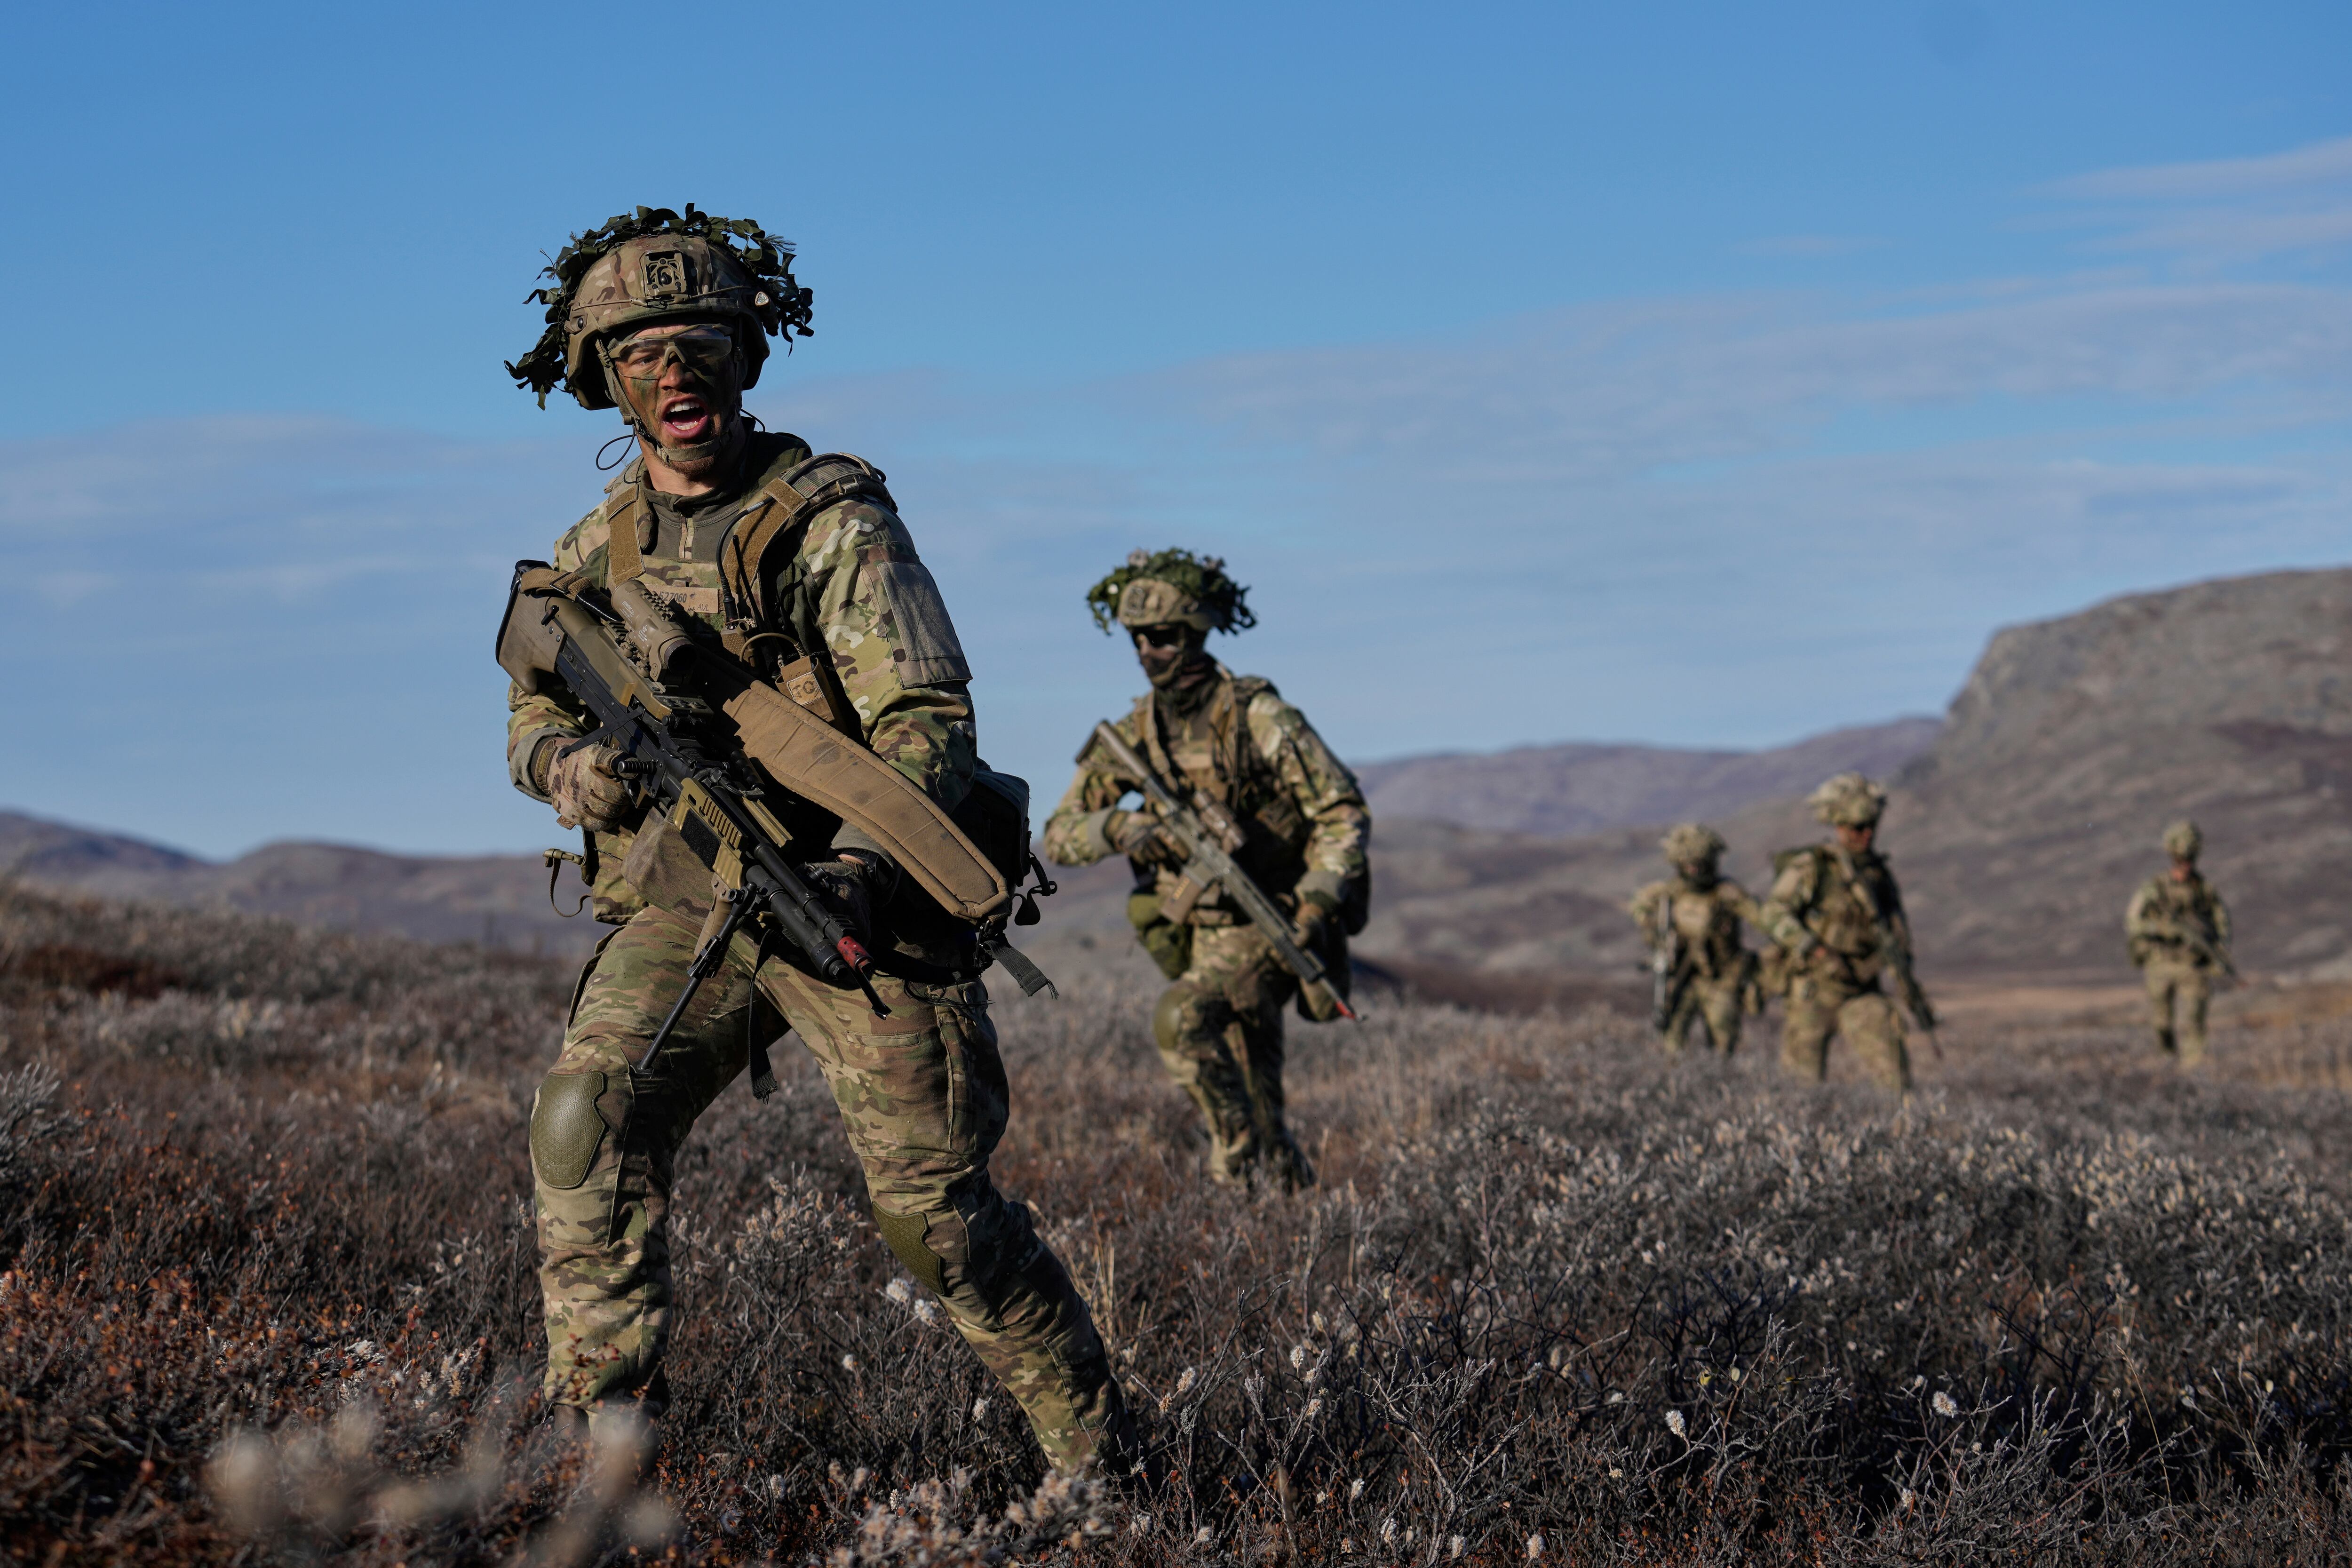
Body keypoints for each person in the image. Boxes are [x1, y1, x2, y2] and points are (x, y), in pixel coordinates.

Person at [500, 207, 1130, 1472]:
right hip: (690, 902)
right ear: (601, 377)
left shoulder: (829, 519)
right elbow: (528, 719)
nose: (676, 375)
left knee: (938, 1225)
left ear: (745, 354)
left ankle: (1110, 1470)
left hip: (853, 898)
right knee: (585, 1119)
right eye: (641, 353)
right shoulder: (591, 555)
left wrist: (853, 860)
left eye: (702, 345)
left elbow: (925, 718)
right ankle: (606, 1471)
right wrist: (580, 771)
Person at [1041, 551, 1368, 1192]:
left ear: (1194, 633)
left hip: (1270, 920)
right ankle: (1280, 1204)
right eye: (1137, 638)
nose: (1146, 650)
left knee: (1182, 1020)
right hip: (1198, 933)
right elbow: (1060, 835)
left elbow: (1341, 811)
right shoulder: (1136, 733)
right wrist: (1123, 828)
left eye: (1160, 637)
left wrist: (1315, 902)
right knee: (1260, 1095)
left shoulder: (1257, 718)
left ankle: (1235, 1170)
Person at [1758, 773, 1925, 1093]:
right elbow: (1772, 913)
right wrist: (1816, 949)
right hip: (1814, 989)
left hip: (1862, 987)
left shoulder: (1877, 874)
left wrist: (1904, 976)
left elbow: (1896, 930)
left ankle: (1905, 1137)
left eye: (1870, 827)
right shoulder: (1812, 867)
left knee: (1896, 1081)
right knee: (1799, 1088)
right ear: (1838, 825)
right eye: (1856, 827)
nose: (1865, 834)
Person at [1627, 823, 1764, 1054]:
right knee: (1671, 1042)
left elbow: (1762, 918)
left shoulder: (1728, 893)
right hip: (1682, 978)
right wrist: (1653, 933)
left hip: (1721, 978)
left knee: (1724, 1043)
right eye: (1689, 866)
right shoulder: (1669, 893)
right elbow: (1640, 908)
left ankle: (1720, 1083)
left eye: (1699, 865)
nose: (1694, 871)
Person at [2125, 820, 2233, 1068]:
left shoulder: (2204, 890)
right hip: (2160, 962)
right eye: (2182, 858)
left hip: (2192, 964)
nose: (2186, 863)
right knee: (2162, 1023)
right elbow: (2133, 922)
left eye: (2190, 858)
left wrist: (2219, 949)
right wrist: (2161, 929)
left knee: (2194, 1020)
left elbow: (2222, 922)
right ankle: (2168, 1064)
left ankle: (2191, 1074)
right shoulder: (2155, 888)